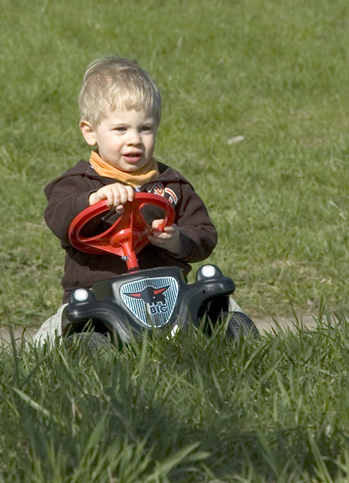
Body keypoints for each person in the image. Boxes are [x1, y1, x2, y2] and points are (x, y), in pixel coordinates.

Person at [34, 56, 219, 343]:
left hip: (166, 296)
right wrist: (93, 200)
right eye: (120, 129)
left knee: (217, 301)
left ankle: (230, 338)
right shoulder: (77, 183)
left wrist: (177, 240)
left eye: (144, 129)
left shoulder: (171, 185)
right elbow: (58, 218)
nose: (134, 139)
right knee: (58, 331)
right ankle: (45, 350)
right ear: (90, 132)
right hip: (97, 297)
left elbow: (205, 234)